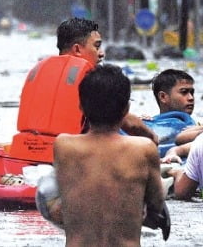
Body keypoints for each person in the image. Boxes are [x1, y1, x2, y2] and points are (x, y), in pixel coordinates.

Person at [51, 64, 165, 246]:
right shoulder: (144, 149)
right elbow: (157, 205)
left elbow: (57, 200)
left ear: (80, 106)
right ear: (126, 109)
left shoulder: (64, 146)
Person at [56, 17, 158, 143]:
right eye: (97, 46)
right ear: (77, 49)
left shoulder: (41, 73)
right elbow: (128, 123)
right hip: (72, 155)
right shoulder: (91, 81)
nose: (102, 53)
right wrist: (153, 139)